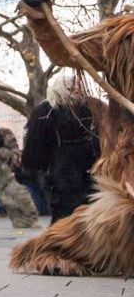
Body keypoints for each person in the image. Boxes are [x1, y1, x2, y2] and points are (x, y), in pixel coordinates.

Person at [9, 0, 134, 276]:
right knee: (118, 220)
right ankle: (54, 249)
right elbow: (67, 50)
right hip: (128, 150)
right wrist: (40, 14)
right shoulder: (123, 37)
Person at [21, 71, 100, 222]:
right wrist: (39, 167)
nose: (77, 90)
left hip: (87, 161)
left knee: (90, 203)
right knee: (65, 206)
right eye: (72, 88)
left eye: (79, 87)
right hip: (61, 163)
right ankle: (62, 240)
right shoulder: (47, 111)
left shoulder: (89, 108)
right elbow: (36, 142)